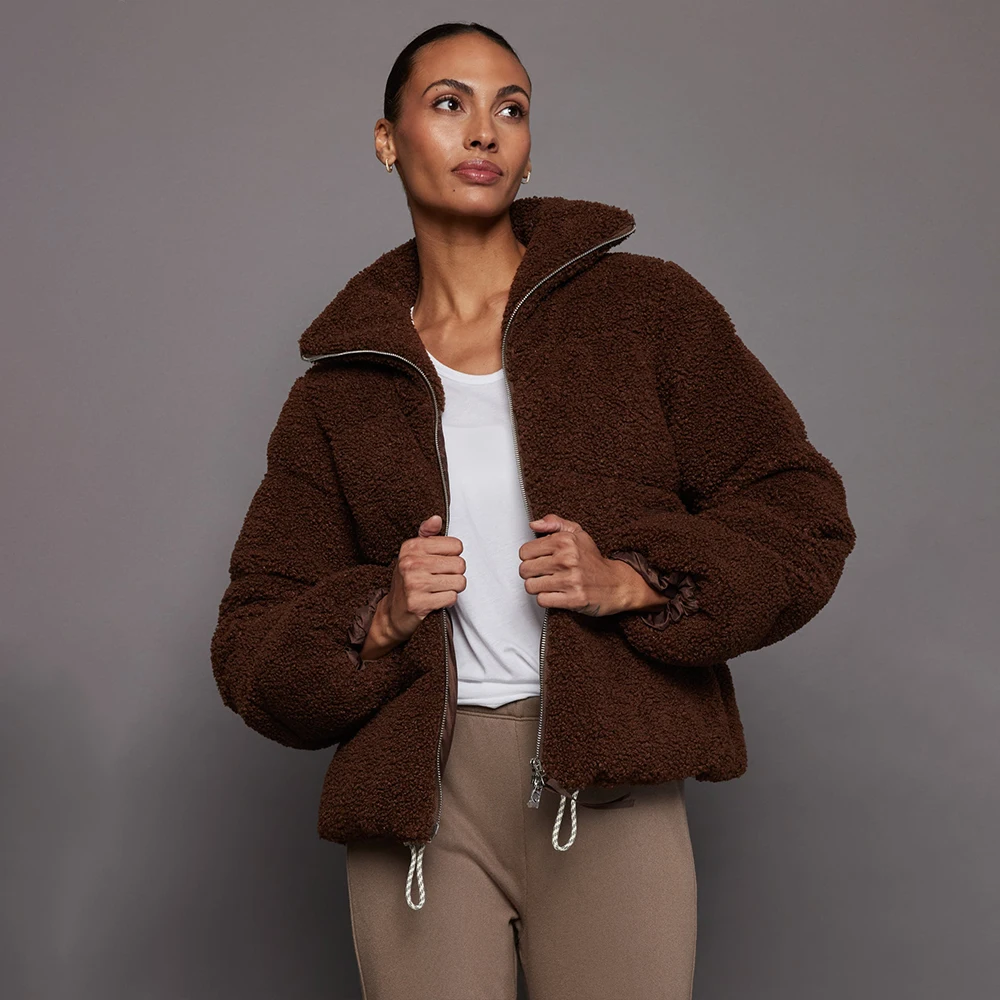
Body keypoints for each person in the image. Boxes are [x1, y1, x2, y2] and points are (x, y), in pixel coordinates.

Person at [210, 20, 857, 1000]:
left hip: (607, 782)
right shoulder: (340, 387)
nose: (484, 130)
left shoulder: (645, 311)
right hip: (418, 800)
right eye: (449, 104)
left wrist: (634, 580)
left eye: (510, 108)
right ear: (386, 139)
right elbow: (251, 640)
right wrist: (379, 613)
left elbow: (799, 511)